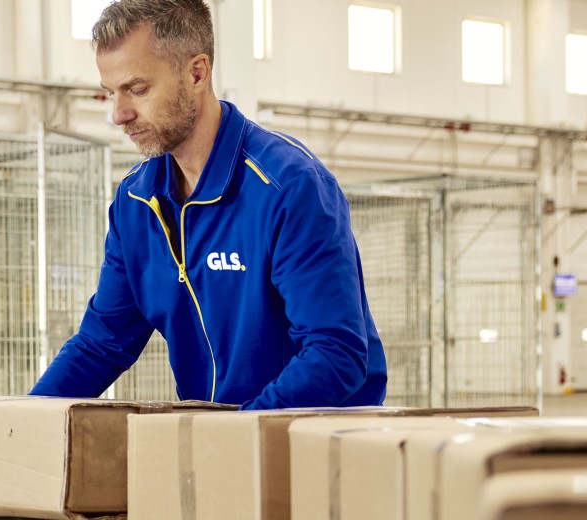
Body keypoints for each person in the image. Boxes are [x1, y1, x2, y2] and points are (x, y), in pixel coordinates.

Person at [30, 0, 387, 409]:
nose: (119, 114)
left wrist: (233, 437)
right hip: (217, 442)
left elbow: (335, 354)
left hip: (310, 448)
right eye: (111, 93)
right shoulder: (136, 202)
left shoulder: (289, 186)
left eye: (137, 89)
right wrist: (22, 423)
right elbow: (102, 343)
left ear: (196, 73)